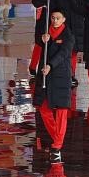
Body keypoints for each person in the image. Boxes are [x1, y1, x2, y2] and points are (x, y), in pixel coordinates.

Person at [33, 9, 74, 162]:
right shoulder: (46, 32)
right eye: (53, 18)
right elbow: (39, 47)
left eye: (58, 18)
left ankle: (57, 144)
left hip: (60, 76)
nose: (55, 21)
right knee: (43, 107)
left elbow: (63, 54)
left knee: (62, 110)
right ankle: (57, 137)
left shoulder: (68, 36)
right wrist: (44, 40)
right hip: (45, 75)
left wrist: (51, 65)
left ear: (64, 19)